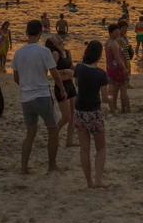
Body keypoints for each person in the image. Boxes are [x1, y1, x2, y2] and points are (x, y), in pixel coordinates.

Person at [11, 19, 67, 173]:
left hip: (26, 98)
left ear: (26, 32)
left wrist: (25, 87)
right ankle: (52, 165)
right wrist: (62, 89)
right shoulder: (44, 51)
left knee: (30, 133)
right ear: (41, 33)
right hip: (42, 95)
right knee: (53, 130)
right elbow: (55, 74)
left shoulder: (18, 52)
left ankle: (24, 167)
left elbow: (16, 77)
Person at [74, 40, 109, 189]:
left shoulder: (79, 68)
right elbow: (105, 97)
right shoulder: (101, 74)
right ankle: (98, 180)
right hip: (94, 112)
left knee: (84, 148)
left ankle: (88, 181)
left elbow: (77, 84)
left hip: (80, 111)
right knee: (100, 148)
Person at [46, 37, 77, 148]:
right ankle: (53, 134)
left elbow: (72, 67)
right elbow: (52, 72)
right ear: (53, 43)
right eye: (56, 38)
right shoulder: (55, 54)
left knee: (74, 115)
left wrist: (76, 71)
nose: (58, 37)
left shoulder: (67, 52)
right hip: (60, 86)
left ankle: (69, 140)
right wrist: (64, 71)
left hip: (70, 84)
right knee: (66, 117)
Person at [104, 23, 130, 113]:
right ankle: (127, 109)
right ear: (110, 33)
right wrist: (124, 68)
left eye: (118, 31)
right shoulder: (114, 43)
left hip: (110, 68)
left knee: (112, 89)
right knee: (123, 88)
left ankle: (113, 108)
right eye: (116, 32)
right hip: (117, 68)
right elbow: (118, 57)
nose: (118, 33)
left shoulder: (107, 42)